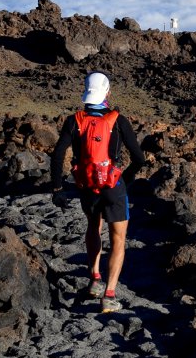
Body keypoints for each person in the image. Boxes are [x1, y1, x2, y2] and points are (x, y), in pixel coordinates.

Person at [50, 71, 146, 313]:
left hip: (87, 187)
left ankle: (94, 279)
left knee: (93, 228)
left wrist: (58, 187)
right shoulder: (118, 120)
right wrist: (126, 179)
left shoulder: (75, 120)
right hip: (114, 187)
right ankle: (109, 295)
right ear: (107, 93)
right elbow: (139, 158)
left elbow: (59, 154)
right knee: (118, 240)